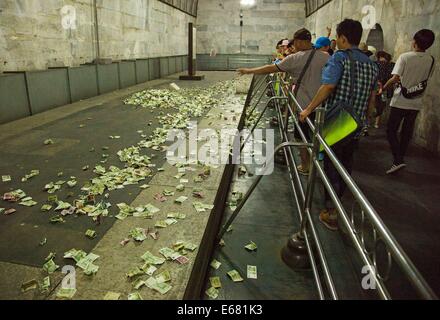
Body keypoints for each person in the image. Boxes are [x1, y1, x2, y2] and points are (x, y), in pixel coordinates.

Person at [299, 19, 379, 231]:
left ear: (342, 38)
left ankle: (332, 211)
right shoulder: (372, 65)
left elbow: (327, 87)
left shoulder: (339, 58)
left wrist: (308, 109)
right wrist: (367, 119)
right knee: (346, 163)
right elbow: (372, 100)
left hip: (337, 121)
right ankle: (338, 203)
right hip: (356, 123)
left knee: (331, 163)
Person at [238, 28, 329, 175]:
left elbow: (271, 68)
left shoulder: (295, 58)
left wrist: (249, 71)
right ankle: (316, 164)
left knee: (302, 137)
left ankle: (306, 166)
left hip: (304, 106)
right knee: (317, 136)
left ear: (299, 41)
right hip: (321, 105)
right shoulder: (326, 57)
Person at [382, 29, 436, 174]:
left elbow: (395, 78)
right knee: (407, 132)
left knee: (391, 131)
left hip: (400, 100)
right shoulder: (431, 59)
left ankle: (398, 159)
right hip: (416, 102)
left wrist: (384, 88)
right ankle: (399, 160)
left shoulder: (405, 57)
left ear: (415, 42)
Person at [372, 51, 394, 128]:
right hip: (386, 88)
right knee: (381, 105)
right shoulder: (392, 65)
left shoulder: (375, 64)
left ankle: (368, 122)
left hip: (376, 87)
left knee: (373, 104)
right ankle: (376, 123)